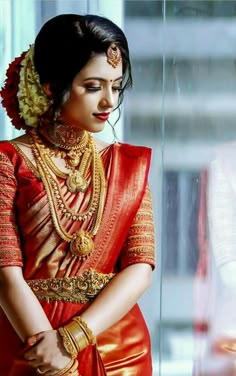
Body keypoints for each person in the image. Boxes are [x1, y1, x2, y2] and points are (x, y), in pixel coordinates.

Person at [0, 13, 155, 376]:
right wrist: (51, 354)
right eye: (93, 86)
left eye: (116, 87)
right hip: (31, 345)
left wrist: (70, 340)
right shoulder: (9, 162)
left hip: (121, 350)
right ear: (52, 86)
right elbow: (6, 273)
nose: (108, 101)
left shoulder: (128, 164)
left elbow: (140, 267)